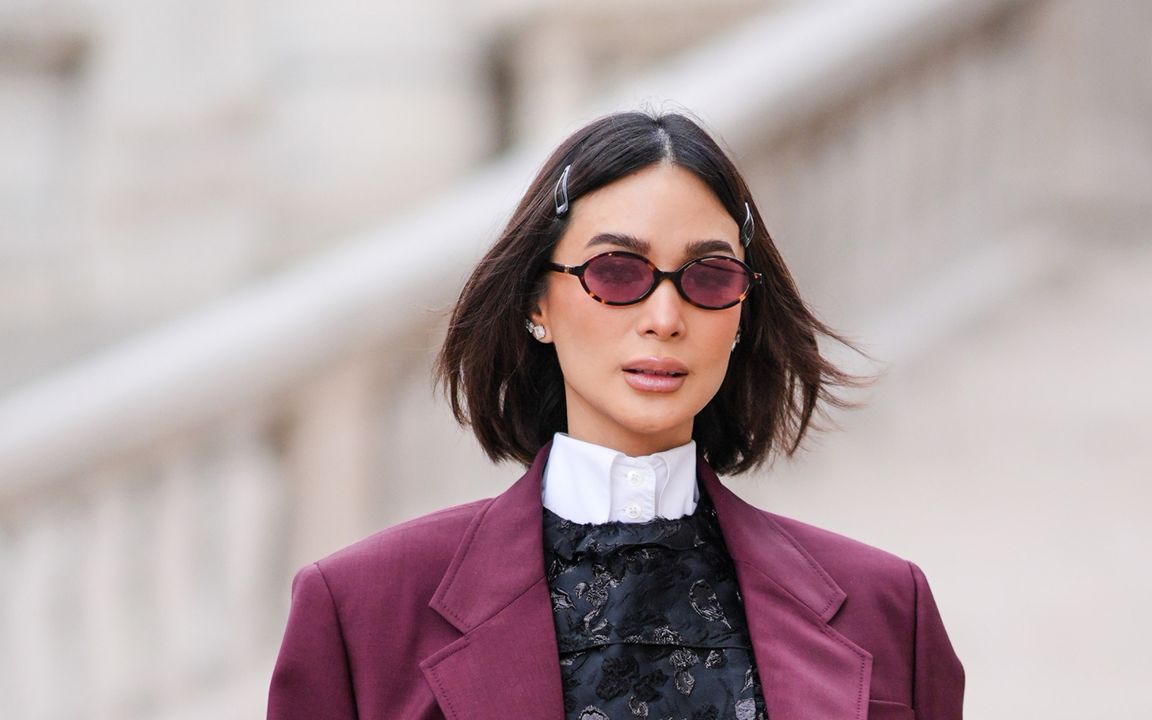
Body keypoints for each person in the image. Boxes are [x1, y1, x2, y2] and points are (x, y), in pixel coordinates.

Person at [267, 110, 964, 720]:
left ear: (743, 313)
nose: (665, 318)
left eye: (709, 278)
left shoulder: (886, 609)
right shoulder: (361, 611)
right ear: (537, 303)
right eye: (617, 272)